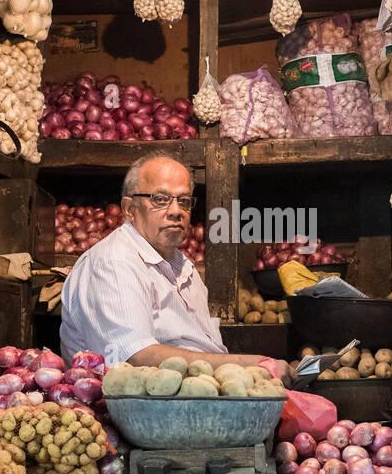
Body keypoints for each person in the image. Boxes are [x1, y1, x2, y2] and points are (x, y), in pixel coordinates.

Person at [60, 153, 291, 383]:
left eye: (184, 201)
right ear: (130, 209)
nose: (175, 210)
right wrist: (255, 365)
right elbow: (133, 358)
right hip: (137, 412)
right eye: (160, 199)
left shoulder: (183, 267)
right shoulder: (115, 262)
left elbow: (205, 349)